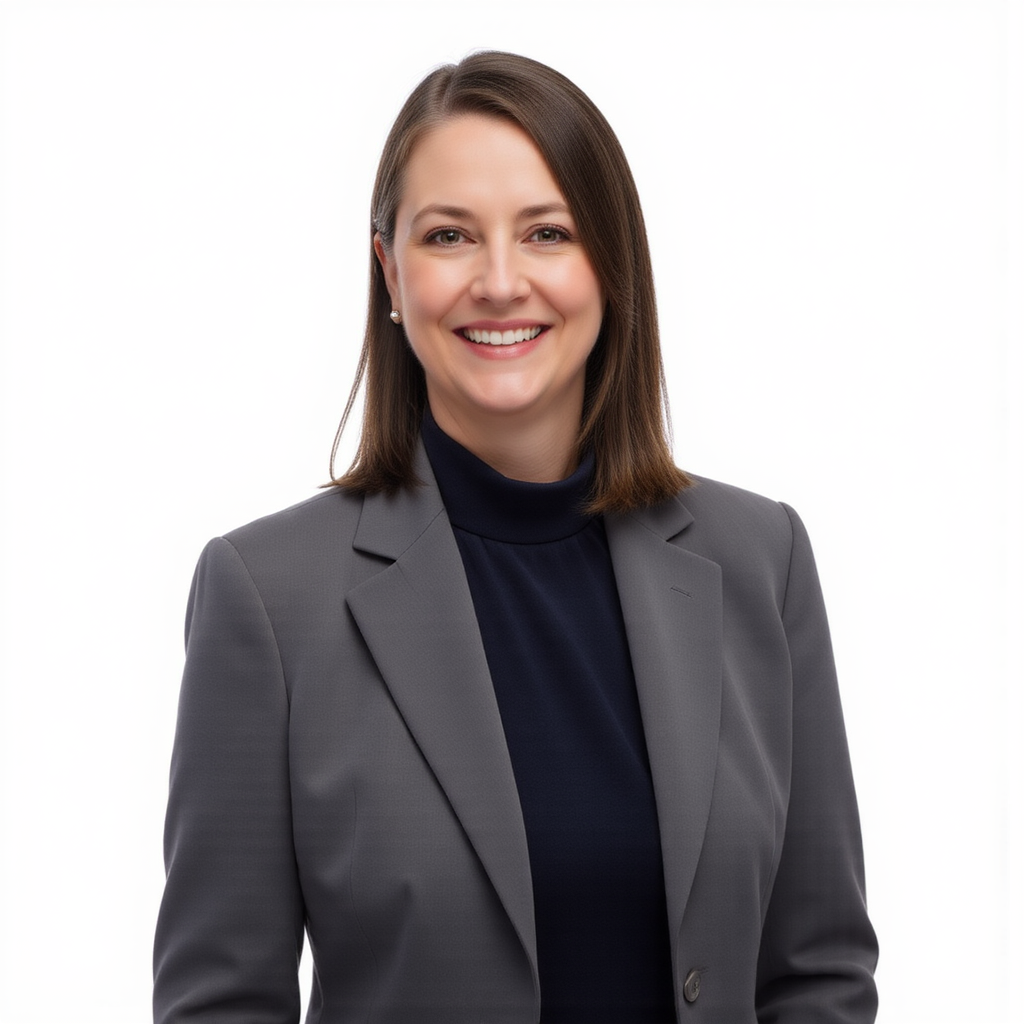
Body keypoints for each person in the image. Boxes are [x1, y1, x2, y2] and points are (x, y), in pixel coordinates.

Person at [153, 51, 878, 1024]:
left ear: (609, 264)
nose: (500, 281)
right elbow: (221, 1002)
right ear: (390, 274)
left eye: (547, 232)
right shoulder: (269, 596)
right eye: (449, 235)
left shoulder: (760, 560)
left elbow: (817, 974)